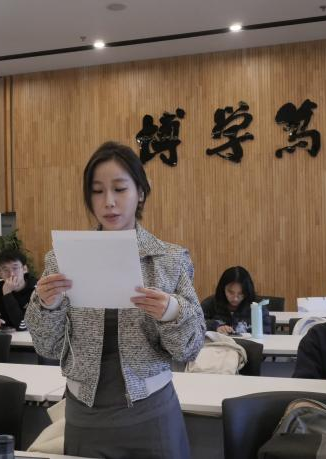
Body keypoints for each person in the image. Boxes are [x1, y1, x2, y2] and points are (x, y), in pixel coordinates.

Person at [25, 141, 206, 459]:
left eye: (120, 189)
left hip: (151, 414)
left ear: (141, 192)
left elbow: (189, 349)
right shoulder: (63, 259)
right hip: (85, 416)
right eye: (97, 191)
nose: (108, 201)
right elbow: (47, 347)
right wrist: (47, 306)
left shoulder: (169, 259)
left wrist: (172, 312)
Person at [0, 249, 37, 330]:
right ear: (0, 273)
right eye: (5, 270)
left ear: (24, 269)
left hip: (29, 337)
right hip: (7, 336)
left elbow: (23, 325)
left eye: (15, 268)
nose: (11, 274)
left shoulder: (37, 289)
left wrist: (7, 294)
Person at [202, 266, 272, 335]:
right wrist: (215, 326)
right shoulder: (210, 303)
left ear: (247, 291)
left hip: (249, 342)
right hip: (218, 342)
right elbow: (198, 324)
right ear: (223, 288)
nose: (235, 298)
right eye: (230, 292)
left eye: (241, 293)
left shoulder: (257, 306)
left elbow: (266, 333)